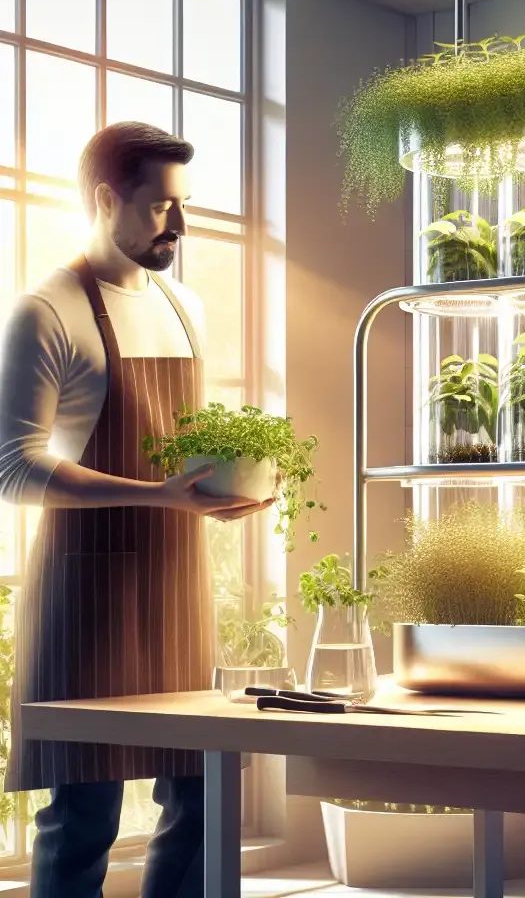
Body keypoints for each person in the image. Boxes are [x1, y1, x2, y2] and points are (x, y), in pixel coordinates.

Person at [0, 122, 272, 898]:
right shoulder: (46, 311)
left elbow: (188, 435)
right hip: (84, 590)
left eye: (183, 206)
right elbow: (13, 468)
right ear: (104, 199)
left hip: (175, 578)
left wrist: (235, 482)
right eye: (161, 208)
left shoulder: (185, 307)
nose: (180, 227)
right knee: (84, 808)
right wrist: (154, 496)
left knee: (198, 790)